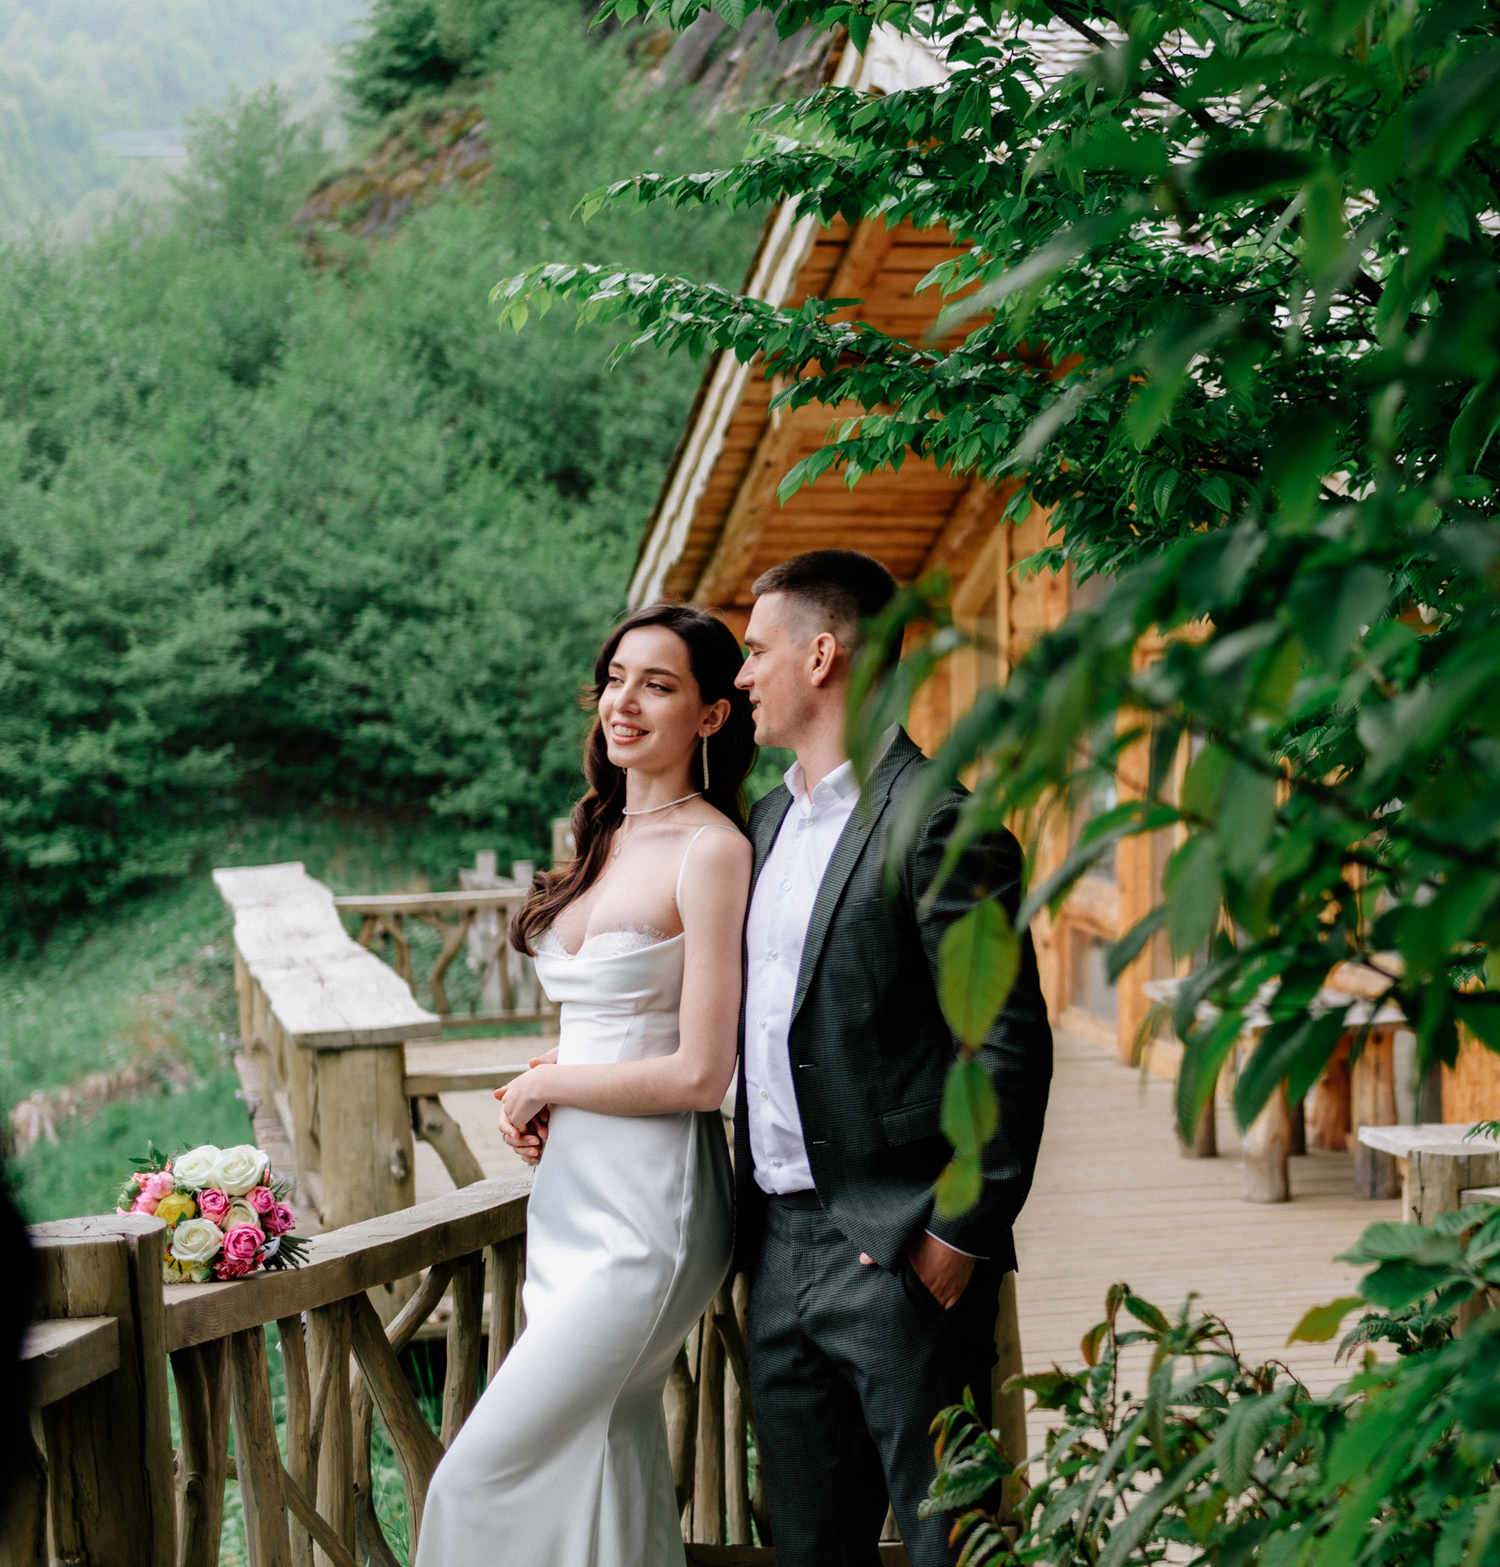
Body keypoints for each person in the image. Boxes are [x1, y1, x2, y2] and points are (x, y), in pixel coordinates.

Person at [414, 604, 754, 1567]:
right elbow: (603, 1028)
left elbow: (701, 1072)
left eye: (658, 684)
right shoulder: (597, 834)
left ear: (713, 716)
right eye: (615, 678)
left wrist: (553, 1081)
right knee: (608, 1458)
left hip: (652, 1208)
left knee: (477, 1475)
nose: (625, 702)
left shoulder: (713, 850)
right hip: (571, 1193)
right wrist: (552, 1081)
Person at [731, 549, 1051, 1567]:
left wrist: (961, 1227)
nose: (741, 676)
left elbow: (1004, 1039)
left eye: (754, 650)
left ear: (821, 654)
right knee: (806, 1547)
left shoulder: (940, 822)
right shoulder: (766, 822)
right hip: (777, 1248)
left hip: (903, 1249)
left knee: (949, 1544)